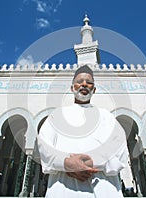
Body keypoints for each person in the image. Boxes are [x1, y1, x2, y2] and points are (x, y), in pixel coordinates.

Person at [37, 64, 129, 197]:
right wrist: (66, 163)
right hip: (64, 190)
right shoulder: (57, 116)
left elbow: (120, 150)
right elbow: (44, 147)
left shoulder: (106, 117)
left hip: (104, 190)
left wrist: (90, 163)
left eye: (89, 82)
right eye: (79, 82)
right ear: (72, 88)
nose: (84, 84)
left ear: (94, 89)